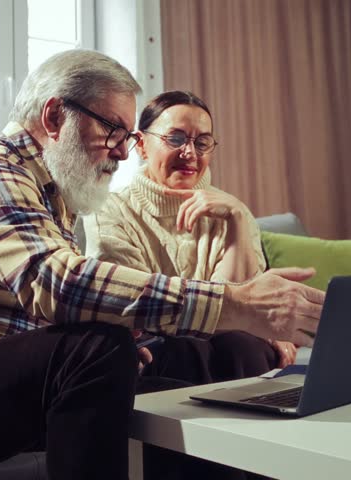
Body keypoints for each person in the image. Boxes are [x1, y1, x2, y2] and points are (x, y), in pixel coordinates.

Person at [0, 50, 324, 480]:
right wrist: (232, 302)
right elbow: (56, 284)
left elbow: (45, 314)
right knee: (97, 347)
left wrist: (129, 343)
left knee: (183, 393)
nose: (122, 151)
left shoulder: (53, 195)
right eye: (113, 131)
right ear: (55, 115)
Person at [85, 91, 301, 389]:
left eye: (202, 143)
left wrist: (237, 219)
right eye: (175, 139)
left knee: (242, 345)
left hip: (229, 341)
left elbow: (245, 307)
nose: (191, 153)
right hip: (152, 343)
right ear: (141, 145)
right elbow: (137, 307)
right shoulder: (108, 211)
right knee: (188, 350)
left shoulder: (231, 209)